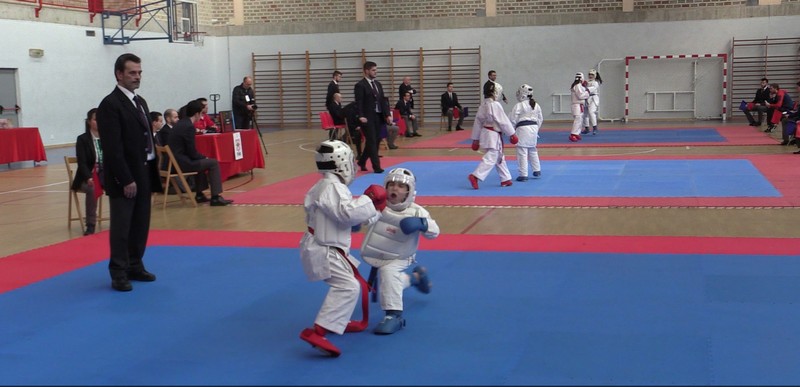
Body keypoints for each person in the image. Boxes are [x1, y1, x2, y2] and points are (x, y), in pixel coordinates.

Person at [298, 139, 387, 357]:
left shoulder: (326, 186)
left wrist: (375, 212)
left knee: (349, 284)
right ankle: (318, 331)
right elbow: (347, 213)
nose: (354, 164)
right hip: (325, 249)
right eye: (351, 160)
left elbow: (345, 218)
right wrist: (369, 199)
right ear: (341, 163)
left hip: (326, 247)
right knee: (348, 287)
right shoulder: (332, 187)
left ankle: (335, 321)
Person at [96, 53, 161, 292]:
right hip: (126, 176)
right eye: (132, 73)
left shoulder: (140, 101)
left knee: (141, 223)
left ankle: (135, 264)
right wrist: (126, 179)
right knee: (122, 226)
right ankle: (119, 272)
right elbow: (113, 148)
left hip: (145, 170)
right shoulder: (110, 105)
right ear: (119, 74)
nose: (137, 77)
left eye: (139, 72)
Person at [360, 167, 439, 335]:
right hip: (377, 252)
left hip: (401, 255)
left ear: (409, 192)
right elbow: (362, 218)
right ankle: (416, 278)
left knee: (388, 273)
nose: (395, 188)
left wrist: (422, 224)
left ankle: (393, 316)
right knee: (390, 283)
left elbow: (435, 231)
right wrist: (354, 220)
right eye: (391, 185)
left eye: (401, 186)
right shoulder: (378, 207)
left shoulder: (417, 211)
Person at [167, 99, 234, 207]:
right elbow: (192, 152)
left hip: (174, 161)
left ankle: (199, 194)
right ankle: (216, 196)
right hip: (180, 163)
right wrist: (205, 157)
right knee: (213, 163)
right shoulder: (188, 127)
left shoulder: (181, 124)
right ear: (197, 114)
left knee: (201, 161)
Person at [468, 82, 518, 189]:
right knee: (492, 157)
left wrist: (475, 139)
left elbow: (478, 122)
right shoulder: (495, 105)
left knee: (499, 156)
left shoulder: (483, 105)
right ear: (496, 92)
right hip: (493, 135)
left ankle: (506, 178)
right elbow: (503, 121)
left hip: (485, 134)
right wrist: (512, 133)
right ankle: (475, 176)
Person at [354, 61, 392, 174]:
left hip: (378, 116)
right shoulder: (360, 85)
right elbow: (359, 102)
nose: (376, 72)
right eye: (373, 70)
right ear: (366, 71)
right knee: (371, 141)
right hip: (367, 117)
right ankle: (377, 166)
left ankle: (361, 161)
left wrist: (387, 115)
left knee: (376, 140)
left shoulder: (378, 84)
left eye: (376, 70)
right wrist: (361, 116)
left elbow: (382, 101)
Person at [71, 108, 103, 236]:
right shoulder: (83, 139)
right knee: (91, 188)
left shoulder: (108, 137)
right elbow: (82, 162)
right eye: (96, 119)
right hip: (87, 176)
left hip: (105, 174)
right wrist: (88, 177)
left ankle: (122, 221)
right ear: (89, 121)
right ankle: (90, 224)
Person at [509, 84, 543, 182]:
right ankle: (537, 170)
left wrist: (511, 131)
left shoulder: (519, 105)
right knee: (532, 149)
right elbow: (540, 119)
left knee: (522, 151)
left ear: (523, 94)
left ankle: (523, 175)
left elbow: (512, 119)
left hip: (523, 129)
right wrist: (537, 129)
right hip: (534, 128)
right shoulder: (536, 105)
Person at [569, 72, 590, 142]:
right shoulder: (577, 85)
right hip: (576, 105)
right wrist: (588, 92)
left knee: (580, 120)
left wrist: (584, 87)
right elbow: (580, 96)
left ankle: (577, 133)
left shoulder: (578, 85)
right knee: (577, 119)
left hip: (579, 105)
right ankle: (573, 134)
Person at [581, 69, 603, 135]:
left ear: (595, 76)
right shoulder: (586, 82)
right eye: (589, 74)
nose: (590, 76)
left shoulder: (595, 83)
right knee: (585, 114)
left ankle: (594, 128)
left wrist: (585, 87)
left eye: (592, 75)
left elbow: (591, 89)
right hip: (586, 98)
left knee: (591, 112)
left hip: (593, 98)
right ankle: (587, 128)